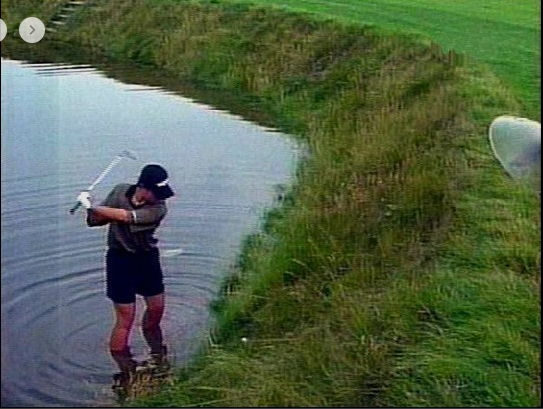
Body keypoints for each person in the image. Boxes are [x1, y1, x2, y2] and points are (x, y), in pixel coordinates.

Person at [76, 164, 175, 375]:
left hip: (146, 258)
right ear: (143, 187)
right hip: (119, 260)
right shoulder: (120, 191)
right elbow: (94, 221)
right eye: (156, 192)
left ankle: (155, 347)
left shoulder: (159, 209)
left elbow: (125, 217)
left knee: (157, 307)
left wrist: (91, 205)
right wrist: (90, 209)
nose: (160, 197)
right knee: (126, 317)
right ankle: (123, 367)